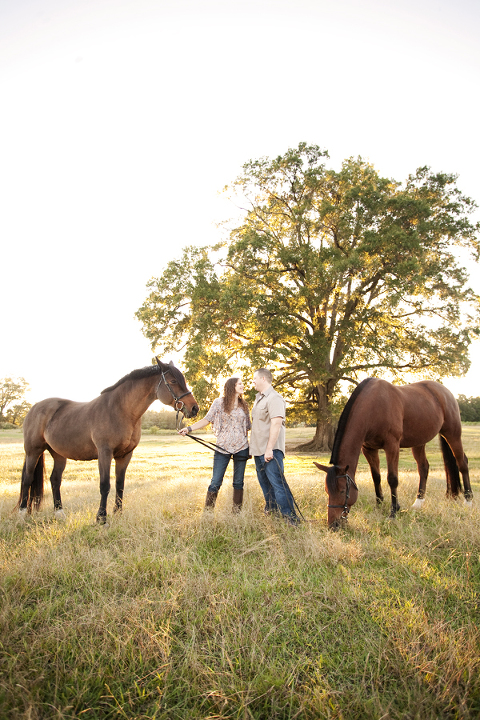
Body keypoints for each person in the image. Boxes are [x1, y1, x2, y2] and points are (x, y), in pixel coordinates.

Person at [178, 377, 251, 512]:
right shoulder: (219, 402)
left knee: (238, 482)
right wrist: (189, 429)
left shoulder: (244, 405)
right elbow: (207, 419)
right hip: (222, 447)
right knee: (216, 481)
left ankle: (236, 513)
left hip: (242, 447)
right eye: (239, 383)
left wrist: (251, 447)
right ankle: (208, 512)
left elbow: (247, 427)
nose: (242, 385)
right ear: (231, 386)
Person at [250, 368, 299, 525]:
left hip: (270, 451)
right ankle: (273, 514)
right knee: (266, 485)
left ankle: (291, 518)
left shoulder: (274, 398)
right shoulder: (259, 399)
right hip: (258, 451)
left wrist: (269, 449)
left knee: (278, 485)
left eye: (255, 378)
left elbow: (276, 423)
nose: (253, 381)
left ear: (263, 379)